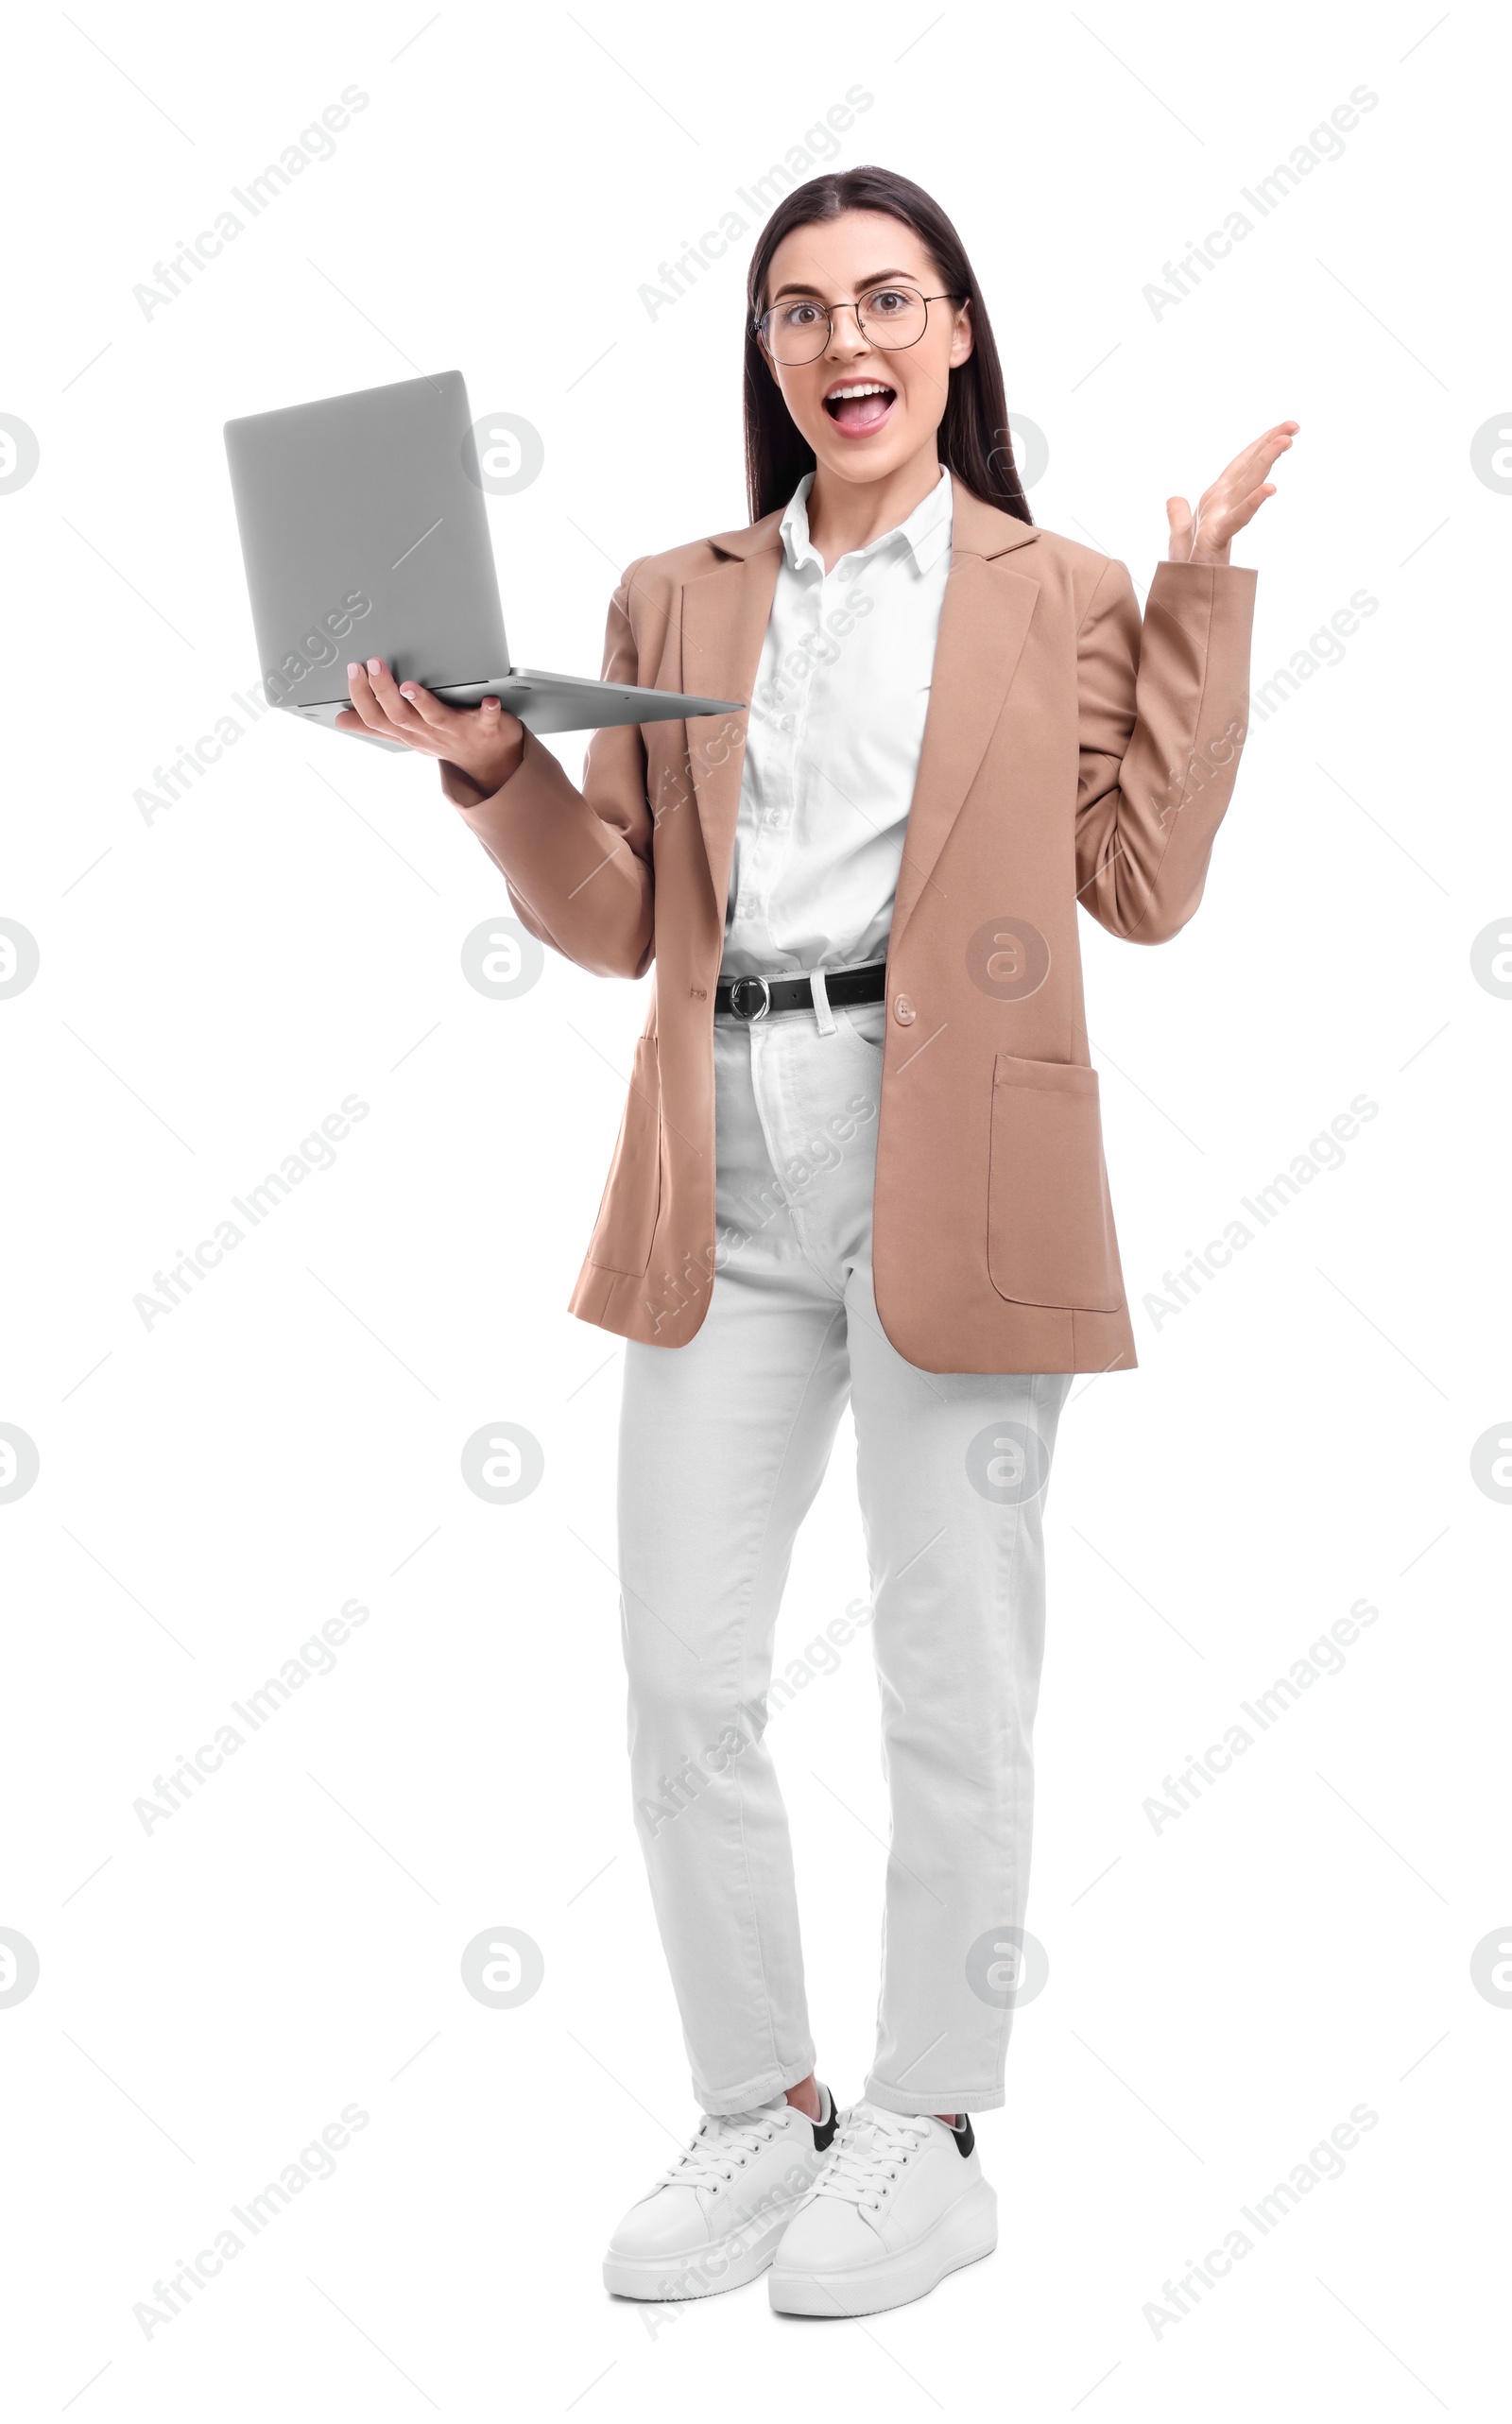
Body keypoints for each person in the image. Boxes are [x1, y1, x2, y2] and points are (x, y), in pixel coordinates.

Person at [338, 164, 1294, 2320]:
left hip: (951, 1154)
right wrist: (491, 758)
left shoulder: (1055, 590)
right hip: (720, 1162)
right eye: (795, 310)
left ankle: (928, 2126)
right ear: (765, 354)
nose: (838, 339)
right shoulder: (674, 595)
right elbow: (616, 923)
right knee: (682, 1670)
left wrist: (1198, 589)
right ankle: (760, 2106)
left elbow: (1141, 885)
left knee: (953, 1671)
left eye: (882, 299)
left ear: (954, 334)